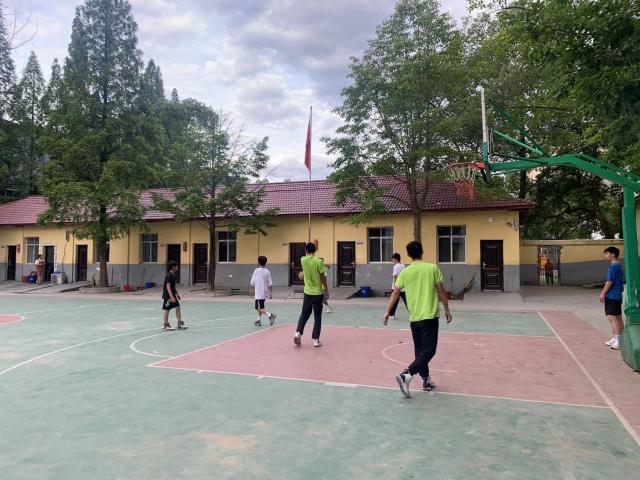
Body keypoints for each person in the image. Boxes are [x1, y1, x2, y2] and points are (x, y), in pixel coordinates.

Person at [383, 241, 452, 398]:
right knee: (429, 351)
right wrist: (447, 310)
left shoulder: (405, 272)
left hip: (414, 318)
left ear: (408, 255)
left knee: (420, 351)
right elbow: (441, 292)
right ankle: (406, 375)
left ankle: (426, 380)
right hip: (429, 317)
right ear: (422, 252)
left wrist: (387, 311)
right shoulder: (432, 268)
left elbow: (395, 293)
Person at [294, 242, 328, 347]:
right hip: (318, 292)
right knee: (317, 316)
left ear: (306, 251)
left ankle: (298, 332)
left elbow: (304, 272)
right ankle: (316, 340)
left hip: (307, 292)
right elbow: (323, 278)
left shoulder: (303, 260)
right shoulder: (319, 262)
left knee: (304, 313)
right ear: (315, 250)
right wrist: (326, 290)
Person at [601, 246, 624, 350]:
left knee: (611, 316)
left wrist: (602, 293)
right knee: (617, 316)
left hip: (612, 295)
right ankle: (619, 338)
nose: (605, 256)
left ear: (613, 254)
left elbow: (609, 281)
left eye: (607, 253)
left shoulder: (614, 267)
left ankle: (618, 341)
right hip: (617, 295)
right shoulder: (617, 266)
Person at [250, 256, 276, 327]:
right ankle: (258, 321)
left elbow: (252, 282)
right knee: (261, 307)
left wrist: (251, 290)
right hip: (264, 293)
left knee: (257, 308)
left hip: (258, 293)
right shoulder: (267, 271)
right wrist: (270, 293)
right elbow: (270, 284)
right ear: (266, 262)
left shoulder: (256, 270)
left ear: (258, 262)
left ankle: (270, 315)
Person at [162, 261, 187, 331]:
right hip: (168, 296)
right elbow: (168, 287)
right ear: (173, 267)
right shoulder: (168, 275)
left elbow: (173, 287)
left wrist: (177, 294)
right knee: (167, 309)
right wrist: (171, 297)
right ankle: (166, 325)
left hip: (172, 295)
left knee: (177, 307)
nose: (177, 267)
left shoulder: (172, 275)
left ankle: (179, 323)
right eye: (176, 266)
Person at [387, 253, 407, 320]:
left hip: (396, 287)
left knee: (393, 301)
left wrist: (396, 286)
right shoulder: (403, 265)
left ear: (395, 259)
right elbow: (402, 275)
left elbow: (396, 276)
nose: (393, 261)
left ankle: (391, 315)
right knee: (407, 301)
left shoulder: (396, 266)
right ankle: (413, 314)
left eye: (393, 259)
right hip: (403, 287)